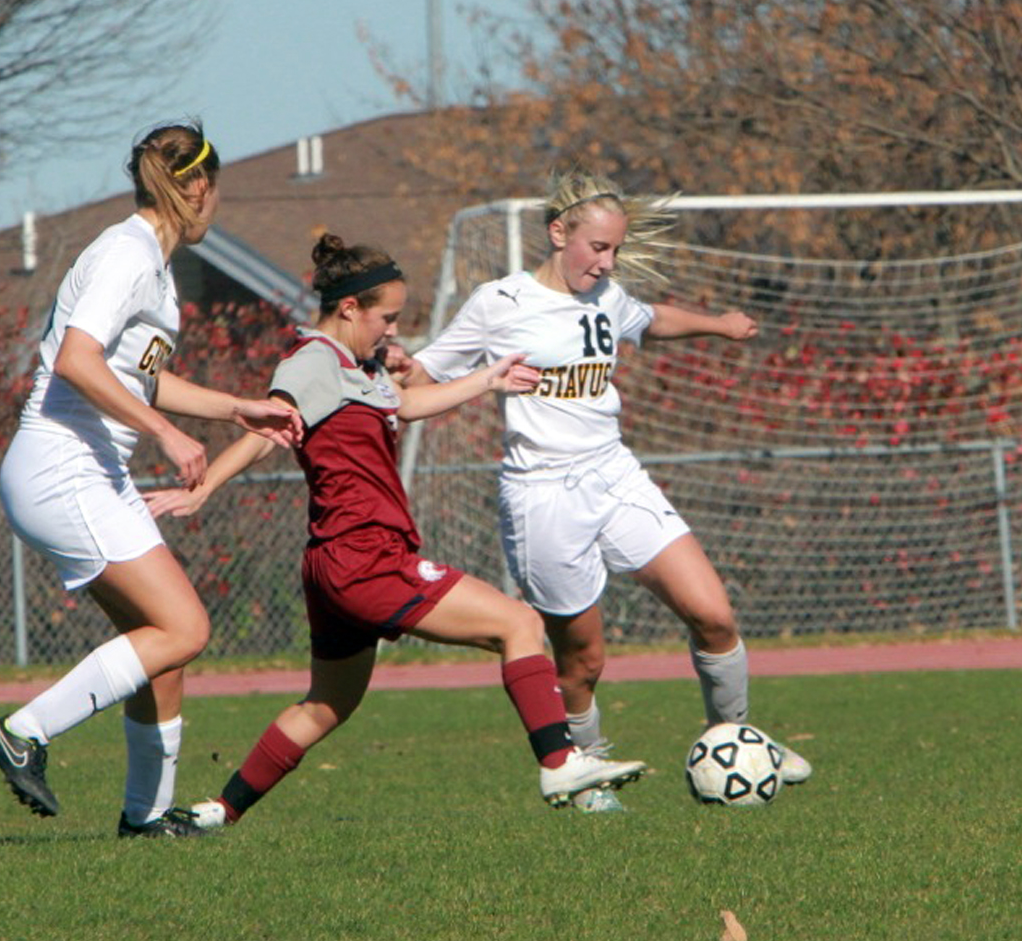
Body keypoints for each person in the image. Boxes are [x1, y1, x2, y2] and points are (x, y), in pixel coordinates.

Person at [145, 233, 647, 829]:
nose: (392, 330)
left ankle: (218, 811)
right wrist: (204, 487)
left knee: (328, 703)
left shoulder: (356, 367)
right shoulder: (312, 362)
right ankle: (560, 761)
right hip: (366, 557)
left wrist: (488, 380)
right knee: (521, 624)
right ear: (350, 307)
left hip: (334, 563)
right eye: (386, 317)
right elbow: (268, 427)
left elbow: (404, 406)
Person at [402, 173, 812, 813]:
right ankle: (586, 776)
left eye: (615, 250)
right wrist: (451, 378)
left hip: (615, 473)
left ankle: (736, 737)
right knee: (582, 662)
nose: (606, 262)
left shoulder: (608, 296)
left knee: (714, 614)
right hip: (543, 494)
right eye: (597, 247)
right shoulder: (499, 302)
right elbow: (419, 380)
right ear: (558, 233)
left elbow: (650, 319)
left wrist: (720, 325)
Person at [0, 122, 304, 839]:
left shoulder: (154, 268)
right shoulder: (127, 253)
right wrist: (167, 436)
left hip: (92, 466)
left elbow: (140, 381)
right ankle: (23, 733)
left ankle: (146, 816)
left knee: (160, 646)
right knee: (186, 626)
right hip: (64, 461)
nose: (215, 204)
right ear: (195, 186)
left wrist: (235, 407)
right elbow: (77, 361)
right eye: (214, 190)